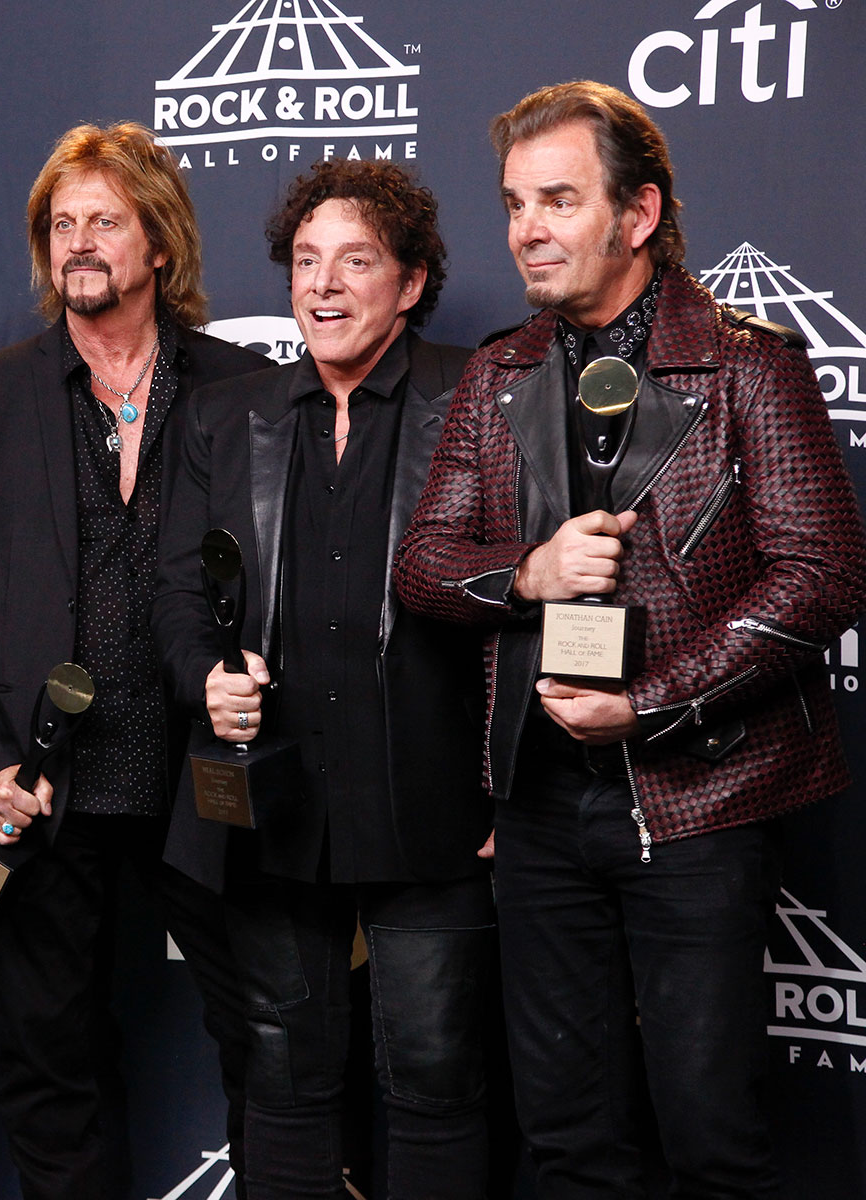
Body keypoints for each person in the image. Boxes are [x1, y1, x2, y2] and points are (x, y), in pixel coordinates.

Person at [393, 80, 866, 1196]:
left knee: (710, 1138)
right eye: (515, 204)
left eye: (558, 200)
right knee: (567, 1140)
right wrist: (526, 573)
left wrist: (649, 701)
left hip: (698, 801)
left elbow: (825, 573)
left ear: (639, 213)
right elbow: (423, 567)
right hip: (542, 808)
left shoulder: (752, 363)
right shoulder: (498, 371)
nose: (527, 230)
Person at [0, 121, 265, 1199]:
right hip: (39, 787)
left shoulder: (244, 391)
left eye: (104, 221)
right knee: (50, 1060)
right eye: (61, 225)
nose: (79, 243)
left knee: (269, 1034)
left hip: (202, 784)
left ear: (161, 242)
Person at [154, 160, 494, 1198]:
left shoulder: (473, 393)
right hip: (273, 806)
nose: (325, 285)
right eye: (306, 261)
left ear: (413, 280)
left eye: (356, 260)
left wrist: (503, 777)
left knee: (436, 1079)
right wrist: (208, 675)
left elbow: (520, 606)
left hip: (433, 806)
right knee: (286, 1075)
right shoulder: (228, 415)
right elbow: (173, 586)